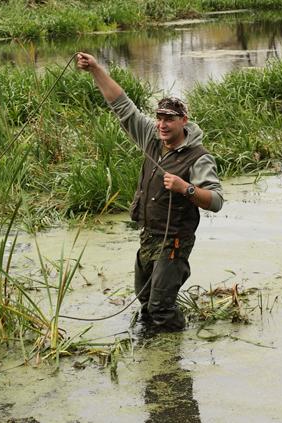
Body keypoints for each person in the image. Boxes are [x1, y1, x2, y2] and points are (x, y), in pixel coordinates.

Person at [76, 52, 224, 332]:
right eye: (159, 118)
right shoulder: (152, 139)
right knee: (145, 299)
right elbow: (122, 105)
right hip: (149, 236)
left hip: (174, 242)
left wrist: (187, 189)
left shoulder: (198, 157)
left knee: (160, 307)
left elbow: (215, 201)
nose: (162, 124)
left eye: (169, 119)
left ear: (184, 120)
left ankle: (172, 365)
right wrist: (95, 69)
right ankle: (151, 346)